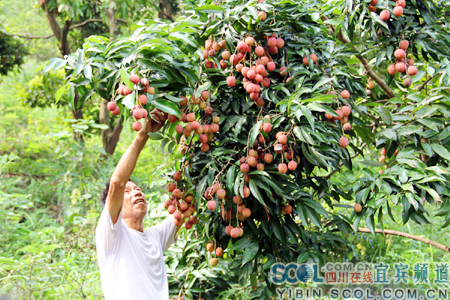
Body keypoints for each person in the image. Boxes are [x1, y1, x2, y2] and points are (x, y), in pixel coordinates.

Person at [96, 108, 182, 300]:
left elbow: (186, 206)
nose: (136, 192)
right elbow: (117, 184)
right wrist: (144, 134)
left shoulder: (155, 237)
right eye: (127, 192)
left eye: (137, 189)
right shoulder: (112, 235)